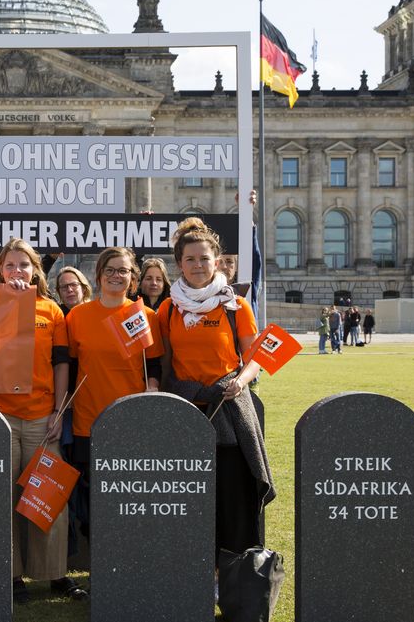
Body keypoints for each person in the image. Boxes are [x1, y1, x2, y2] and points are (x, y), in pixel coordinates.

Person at [157, 216, 274, 568]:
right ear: (179, 264)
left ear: (217, 261)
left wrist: (242, 378)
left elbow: (255, 356)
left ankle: (237, 572)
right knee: (191, 498)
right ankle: (195, 572)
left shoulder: (234, 305)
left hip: (229, 408)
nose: (197, 266)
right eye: (189, 259)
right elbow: (164, 362)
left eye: (204, 259)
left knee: (234, 499)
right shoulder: (168, 308)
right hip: (186, 408)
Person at [0, 238, 85, 604]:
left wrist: (58, 411)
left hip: (43, 417)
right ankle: (11, 576)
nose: (17, 271)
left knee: (48, 499)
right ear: (1, 270)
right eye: (10, 265)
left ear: (35, 270)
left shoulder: (52, 310)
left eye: (24, 265)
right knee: (4, 499)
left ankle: (54, 573)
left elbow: (61, 364)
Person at [65, 247, 163, 537]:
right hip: (88, 422)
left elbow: (154, 366)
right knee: (94, 502)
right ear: (98, 276)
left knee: (128, 499)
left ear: (133, 278)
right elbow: (70, 368)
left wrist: (153, 387)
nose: (116, 276)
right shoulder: (78, 317)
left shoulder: (145, 316)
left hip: (131, 422)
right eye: (110, 270)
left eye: (123, 270)